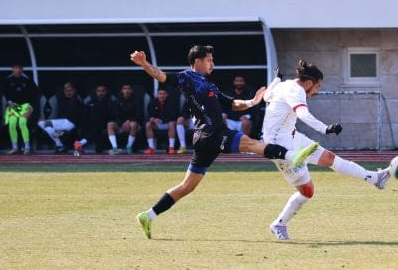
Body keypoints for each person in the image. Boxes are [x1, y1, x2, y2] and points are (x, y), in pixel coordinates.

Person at [131, 46, 321, 239]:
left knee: (187, 186)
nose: (212, 63)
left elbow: (231, 104)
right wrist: (144, 63)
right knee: (250, 143)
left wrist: (252, 102)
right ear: (197, 61)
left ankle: (148, 215)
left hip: (205, 138)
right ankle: (292, 156)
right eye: (209, 60)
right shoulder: (187, 77)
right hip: (212, 133)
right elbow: (161, 76)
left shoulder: (208, 84)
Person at [263, 60, 391, 241]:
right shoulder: (296, 90)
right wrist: (325, 129)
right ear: (308, 83)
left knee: (329, 158)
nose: (316, 91)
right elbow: (302, 114)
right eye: (317, 86)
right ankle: (279, 224)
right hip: (280, 146)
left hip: (292, 136)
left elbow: (266, 96)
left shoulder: (284, 85)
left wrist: (276, 80)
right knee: (307, 192)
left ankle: (376, 178)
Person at [2, 63, 40, 155]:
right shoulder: (8, 81)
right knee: (12, 123)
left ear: (22, 69)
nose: (18, 70)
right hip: (13, 106)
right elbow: (6, 95)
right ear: (12, 69)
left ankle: (27, 147)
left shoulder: (28, 80)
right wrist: (9, 102)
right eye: (15, 68)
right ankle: (14, 147)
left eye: (19, 68)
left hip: (25, 106)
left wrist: (31, 108)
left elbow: (36, 95)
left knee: (22, 122)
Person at [37, 82, 83, 154]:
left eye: (70, 90)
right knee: (42, 124)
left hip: (71, 124)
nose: (68, 92)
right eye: (66, 91)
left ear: (74, 91)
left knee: (45, 123)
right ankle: (60, 145)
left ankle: (60, 143)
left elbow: (72, 116)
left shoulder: (77, 100)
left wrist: (50, 121)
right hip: (62, 125)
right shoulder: (62, 100)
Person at [74, 84, 117, 154]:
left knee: (99, 146)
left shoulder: (110, 102)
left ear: (106, 92)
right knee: (95, 130)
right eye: (99, 91)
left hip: (105, 126)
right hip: (92, 126)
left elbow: (113, 116)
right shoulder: (91, 102)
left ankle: (80, 143)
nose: (101, 93)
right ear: (96, 92)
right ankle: (80, 145)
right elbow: (85, 116)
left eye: (103, 91)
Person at [106, 83, 143, 154]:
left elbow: (138, 115)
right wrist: (121, 124)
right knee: (110, 124)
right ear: (122, 90)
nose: (127, 91)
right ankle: (115, 148)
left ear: (131, 90)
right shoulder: (117, 100)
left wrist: (129, 121)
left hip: (132, 123)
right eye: (125, 89)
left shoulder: (136, 100)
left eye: (129, 89)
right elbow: (115, 115)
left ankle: (129, 147)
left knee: (133, 124)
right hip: (120, 124)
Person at [144, 87, 181, 154]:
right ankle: (151, 148)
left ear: (167, 95)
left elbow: (174, 116)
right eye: (160, 94)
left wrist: (161, 120)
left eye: (164, 94)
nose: (162, 96)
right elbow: (150, 114)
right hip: (157, 124)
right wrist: (152, 118)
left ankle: (171, 147)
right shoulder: (153, 102)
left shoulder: (172, 102)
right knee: (148, 124)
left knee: (171, 124)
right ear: (157, 95)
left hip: (168, 123)